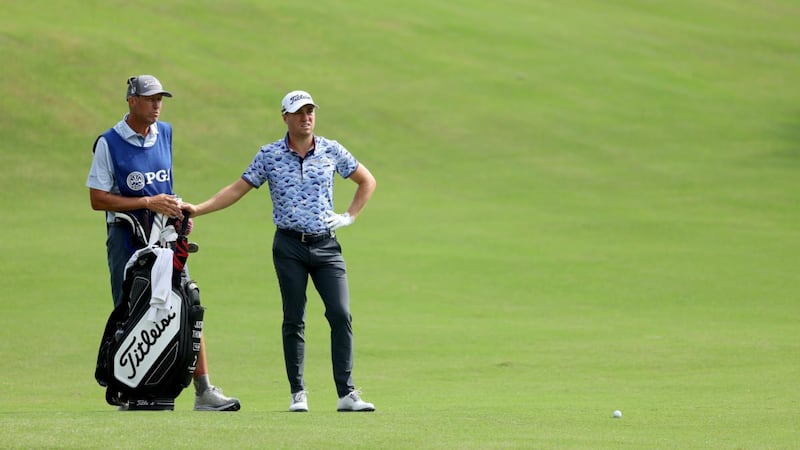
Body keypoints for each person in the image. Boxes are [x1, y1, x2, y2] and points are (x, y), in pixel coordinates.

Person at [183, 90, 377, 412]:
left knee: (340, 314)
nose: (306, 117)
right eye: (299, 112)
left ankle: (347, 394)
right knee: (294, 318)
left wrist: (349, 216)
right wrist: (198, 210)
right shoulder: (269, 155)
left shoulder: (330, 150)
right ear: (285, 117)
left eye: (310, 111)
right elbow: (237, 189)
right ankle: (297, 393)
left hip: (326, 245)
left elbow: (366, 180)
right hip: (289, 246)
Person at [86, 74, 241, 411]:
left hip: (165, 238)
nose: (157, 105)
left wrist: (178, 211)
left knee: (186, 304)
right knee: (130, 311)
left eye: (161, 99)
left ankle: (204, 391)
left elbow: (165, 187)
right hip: (127, 239)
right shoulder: (109, 143)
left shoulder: (165, 133)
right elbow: (98, 199)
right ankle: (129, 389)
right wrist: (146, 203)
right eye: (150, 99)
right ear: (132, 101)